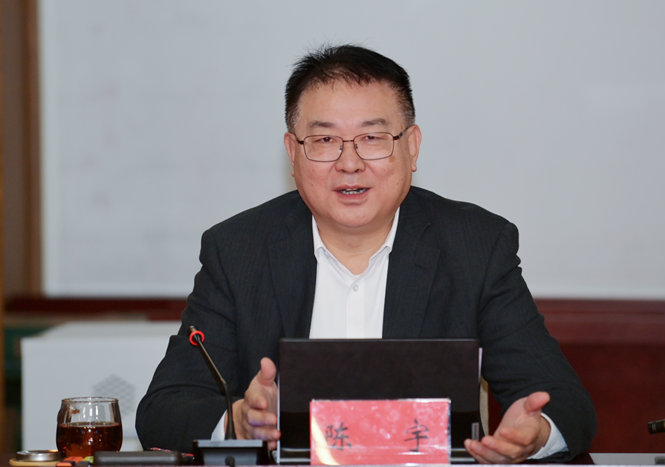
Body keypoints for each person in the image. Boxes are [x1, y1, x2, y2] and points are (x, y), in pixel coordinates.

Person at [136, 44, 596, 463]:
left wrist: (536, 433)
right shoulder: (239, 250)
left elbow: (564, 402)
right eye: (324, 140)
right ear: (292, 154)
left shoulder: (475, 246)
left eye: (373, 138)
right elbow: (163, 409)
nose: (350, 163)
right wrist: (238, 420)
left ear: (411, 147)